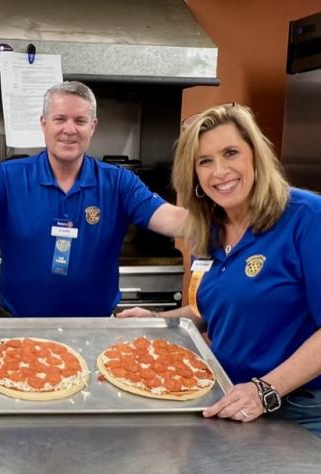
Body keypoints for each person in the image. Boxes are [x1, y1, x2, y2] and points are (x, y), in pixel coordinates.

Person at [117, 104, 321, 438]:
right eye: (205, 161)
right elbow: (217, 311)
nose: (220, 171)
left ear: (255, 155)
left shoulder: (308, 218)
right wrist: (158, 319)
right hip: (226, 398)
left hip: (299, 411)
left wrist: (265, 391)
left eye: (231, 153)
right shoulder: (212, 229)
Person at [0, 81, 187, 317]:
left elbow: (170, 218)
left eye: (80, 121)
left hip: (96, 327)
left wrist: (227, 220)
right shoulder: (8, 177)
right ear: (43, 124)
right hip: (20, 327)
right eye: (60, 119)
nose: (69, 129)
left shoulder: (117, 182)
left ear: (93, 126)